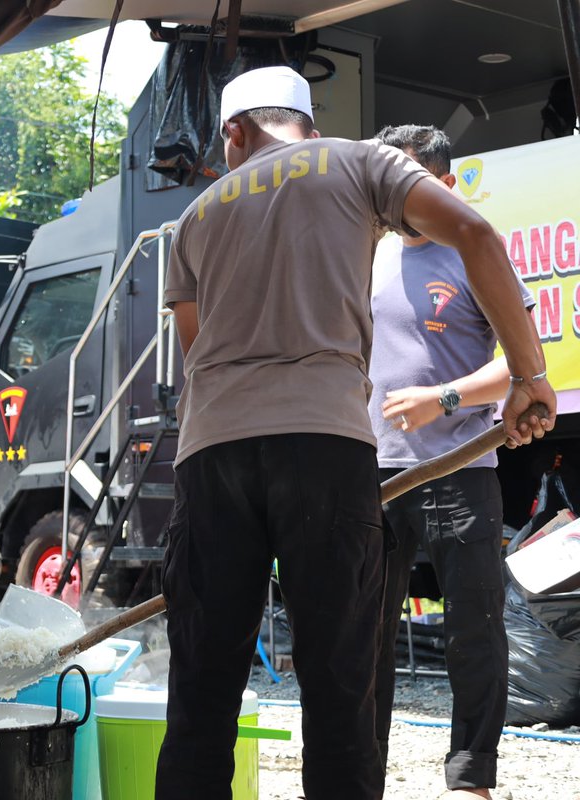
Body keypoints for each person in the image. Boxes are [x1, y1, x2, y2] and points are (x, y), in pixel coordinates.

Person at [156, 66, 554, 800]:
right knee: (339, 682)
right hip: (323, 442)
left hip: (211, 453)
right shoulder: (354, 159)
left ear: (234, 132)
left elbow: (196, 350)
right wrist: (529, 377)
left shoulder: (197, 215)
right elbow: (473, 231)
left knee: (202, 686)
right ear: (306, 123)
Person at [368, 124, 535, 800]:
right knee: (361, 635)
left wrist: (444, 398)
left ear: (447, 185)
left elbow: (525, 366)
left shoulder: (475, 250)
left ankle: (471, 778)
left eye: (409, 180)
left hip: (461, 470)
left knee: (475, 629)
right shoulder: (367, 256)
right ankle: (357, 772)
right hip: (372, 472)